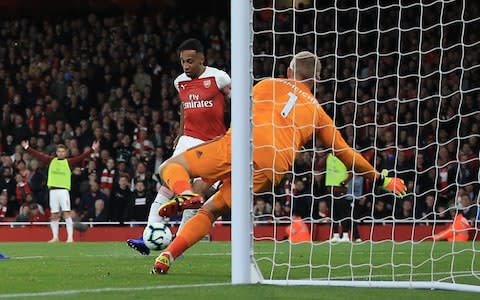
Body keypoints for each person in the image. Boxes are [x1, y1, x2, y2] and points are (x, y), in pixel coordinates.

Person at [150, 51, 407, 274]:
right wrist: (381, 178)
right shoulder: (318, 113)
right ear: (317, 80)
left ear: (288, 71)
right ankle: (168, 254)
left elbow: (238, 113)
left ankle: (185, 194)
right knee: (212, 209)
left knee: (170, 168)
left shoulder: (266, 84)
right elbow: (345, 154)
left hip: (240, 144)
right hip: (274, 167)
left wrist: (208, 174)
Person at [126, 38, 231, 255]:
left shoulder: (219, 78)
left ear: (203, 59)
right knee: (167, 182)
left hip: (214, 143)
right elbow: (184, 107)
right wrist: (180, 133)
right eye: (183, 61)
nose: (186, 66)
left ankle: (178, 245)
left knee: (197, 194)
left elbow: (239, 102)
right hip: (189, 139)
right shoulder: (179, 82)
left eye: (190, 61)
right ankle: (149, 234)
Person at [21, 139, 99, 242]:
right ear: (56, 152)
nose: (61, 153)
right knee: (54, 215)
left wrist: (92, 149)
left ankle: (70, 237)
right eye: (59, 151)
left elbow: (81, 157)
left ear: (66, 153)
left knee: (66, 213)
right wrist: (27, 148)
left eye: (63, 151)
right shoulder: (51, 160)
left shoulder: (68, 162)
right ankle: (55, 237)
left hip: (63, 191)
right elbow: (39, 155)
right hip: (52, 191)